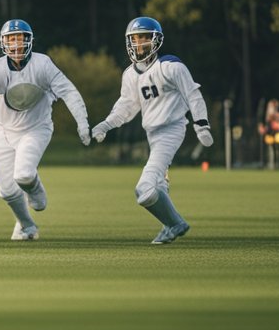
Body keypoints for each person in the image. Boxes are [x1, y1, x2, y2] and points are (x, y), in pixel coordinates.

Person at [90, 17, 212, 243]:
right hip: (153, 135)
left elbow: (192, 94)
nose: (140, 43)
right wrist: (106, 124)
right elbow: (126, 107)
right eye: (136, 39)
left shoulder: (171, 66)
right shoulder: (129, 75)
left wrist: (201, 124)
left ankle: (175, 223)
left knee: (144, 190)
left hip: (171, 129)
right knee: (158, 186)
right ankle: (170, 225)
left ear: (156, 40)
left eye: (145, 38)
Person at [0, 19, 91, 240]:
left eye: (20, 38)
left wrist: (82, 123)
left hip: (36, 128)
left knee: (24, 175)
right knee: (7, 191)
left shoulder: (42, 64)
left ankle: (36, 192)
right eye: (11, 39)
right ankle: (27, 226)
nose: (16, 44)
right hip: (5, 131)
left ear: (30, 41)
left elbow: (68, 92)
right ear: (3, 42)